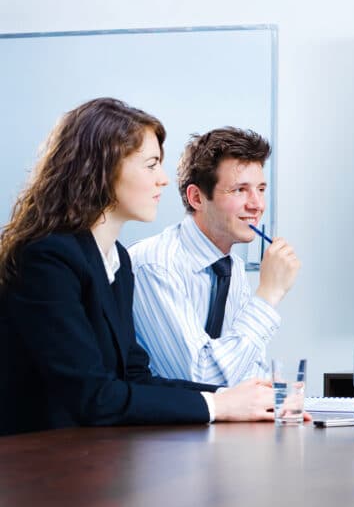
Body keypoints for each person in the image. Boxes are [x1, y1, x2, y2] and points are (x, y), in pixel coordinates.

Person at [0, 98, 278, 436]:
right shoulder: (47, 258)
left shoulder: (117, 259)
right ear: (102, 169)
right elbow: (93, 396)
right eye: (151, 165)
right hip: (39, 466)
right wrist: (218, 405)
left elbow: (134, 377)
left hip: (91, 460)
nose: (163, 180)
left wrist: (235, 400)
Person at [129, 127, 300, 386]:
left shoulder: (232, 268)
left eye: (261, 189)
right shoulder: (155, 265)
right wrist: (268, 295)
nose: (257, 205)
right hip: (157, 425)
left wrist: (264, 386)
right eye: (240, 190)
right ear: (197, 197)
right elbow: (200, 378)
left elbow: (242, 368)